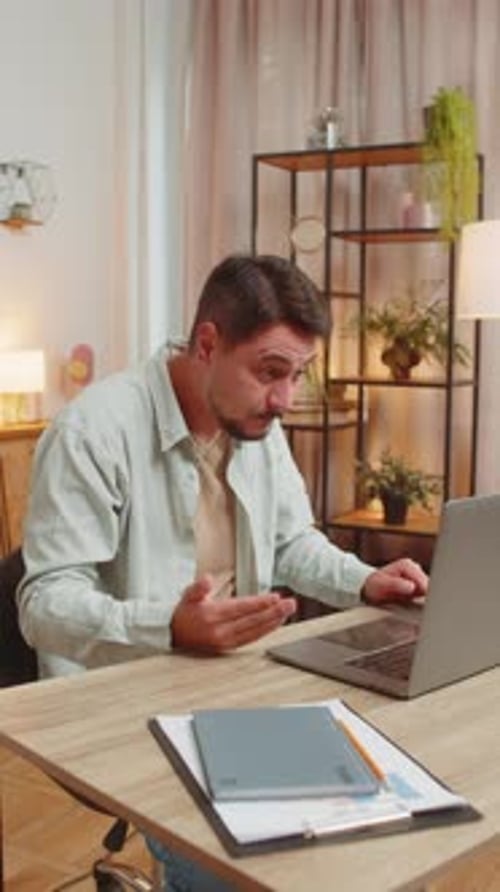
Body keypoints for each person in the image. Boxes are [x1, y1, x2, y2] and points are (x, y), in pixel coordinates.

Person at [18, 253, 427, 890]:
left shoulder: (256, 425)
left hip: (242, 687)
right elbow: (44, 603)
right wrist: (172, 627)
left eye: (298, 375)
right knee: (244, 872)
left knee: (374, 840)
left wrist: (363, 581)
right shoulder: (93, 431)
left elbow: (291, 542)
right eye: (271, 372)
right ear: (207, 342)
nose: (286, 399)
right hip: (125, 701)